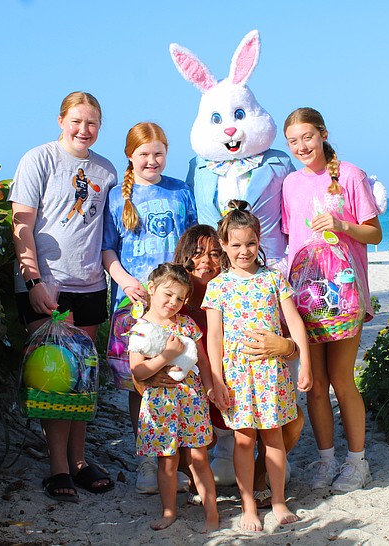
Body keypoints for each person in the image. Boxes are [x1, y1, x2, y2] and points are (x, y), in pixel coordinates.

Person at [10, 91, 118, 501]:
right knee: (56, 378)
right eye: (76, 121)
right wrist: (32, 280)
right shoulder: (38, 159)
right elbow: (21, 224)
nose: (83, 129)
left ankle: (79, 462)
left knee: (83, 379)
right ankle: (57, 467)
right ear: (61, 121)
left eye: (92, 123)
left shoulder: (106, 170)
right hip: (48, 285)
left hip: (90, 285)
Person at [282, 107, 383, 493]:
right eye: (293, 141)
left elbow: (375, 233)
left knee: (342, 378)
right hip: (306, 295)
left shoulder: (351, 175)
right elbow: (291, 240)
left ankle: (357, 463)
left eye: (307, 137)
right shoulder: (290, 183)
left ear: (323, 134)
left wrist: (342, 226)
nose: (301, 146)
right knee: (315, 382)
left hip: (345, 293)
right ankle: (326, 460)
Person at [172, 224, 304, 508]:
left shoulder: (257, 285)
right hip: (201, 398)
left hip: (248, 387)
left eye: (213, 254)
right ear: (184, 257)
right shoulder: (173, 304)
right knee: (188, 420)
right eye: (197, 253)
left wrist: (288, 347)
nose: (206, 260)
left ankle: (260, 479)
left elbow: (287, 331)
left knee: (289, 422)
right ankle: (194, 477)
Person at [203, 200, 312, 531]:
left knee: (273, 437)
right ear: (224, 245)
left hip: (271, 373)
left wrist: (305, 363)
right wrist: (217, 380)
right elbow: (214, 337)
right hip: (237, 376)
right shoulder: (218, 285)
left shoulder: (272, 278)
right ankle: (248, 505)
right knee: (244, 440)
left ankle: (278, 501)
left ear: (259, 241)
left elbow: (295, 322)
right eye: (236, 245)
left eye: (250, 243)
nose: (244, 251)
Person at [102, 121, 198, 494]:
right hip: (135, 304)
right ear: (130, 155)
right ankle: (147, 460)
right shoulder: (116, 196)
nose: (151, 160)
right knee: (139, 381)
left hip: (174, 303)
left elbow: (192, 244)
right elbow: (108, 250)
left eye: (158, 153)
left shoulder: (180, 190)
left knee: (179, 375)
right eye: (144, 154)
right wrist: (126, 282)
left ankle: (180, 462)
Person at [128, 263, 218, 531]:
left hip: (192, 400)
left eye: (180, 298)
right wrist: (166, 355)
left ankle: (212, 514)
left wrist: (210, 388)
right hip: (160, 405)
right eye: (168, 294)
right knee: (167, 460)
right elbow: (138, 370)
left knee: (199, 457)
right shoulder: (140, 328)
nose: (173, 302)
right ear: (151, 288)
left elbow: (203, 360)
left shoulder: (187, 324)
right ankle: (169, 512)